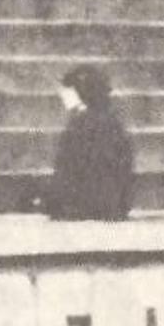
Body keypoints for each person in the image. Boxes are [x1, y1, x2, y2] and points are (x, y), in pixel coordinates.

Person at [47, 66, 135, 220]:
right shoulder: (107, 120)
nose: (62, 96)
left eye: (67, 92)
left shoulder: (84, 123)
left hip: (92, 201)